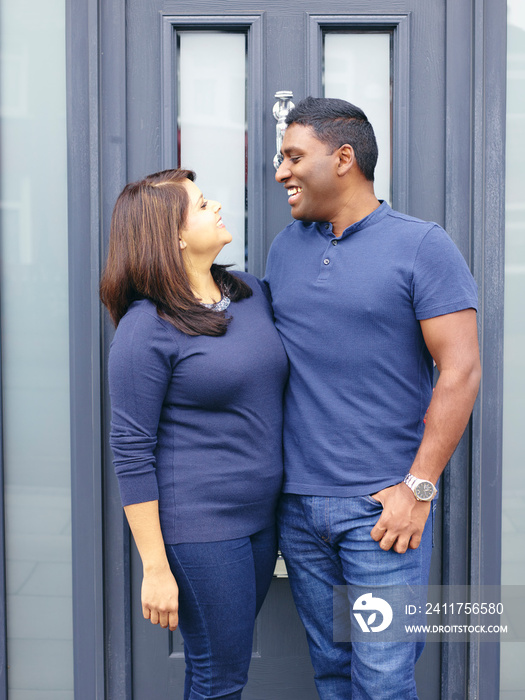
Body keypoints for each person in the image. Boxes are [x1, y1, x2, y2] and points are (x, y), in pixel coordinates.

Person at [264, 97, 481, 699]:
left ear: (343, 158)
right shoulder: (285, 249)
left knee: (383, 681)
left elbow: (460, 371)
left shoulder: (422, 247)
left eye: (293, 156)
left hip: (382, 513)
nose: (280, 171)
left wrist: (418, 488)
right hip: (299, 507)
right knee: (332, 675)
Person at [100, 168, 288, 700]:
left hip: (259, 521)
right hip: (201, 529)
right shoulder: (147, 327)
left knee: (215, 670)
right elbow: (131, 452)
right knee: (220, 678)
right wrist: (155, 567)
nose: (218, 208)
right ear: (174, 235)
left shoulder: (250, 292)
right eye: (203, 205)